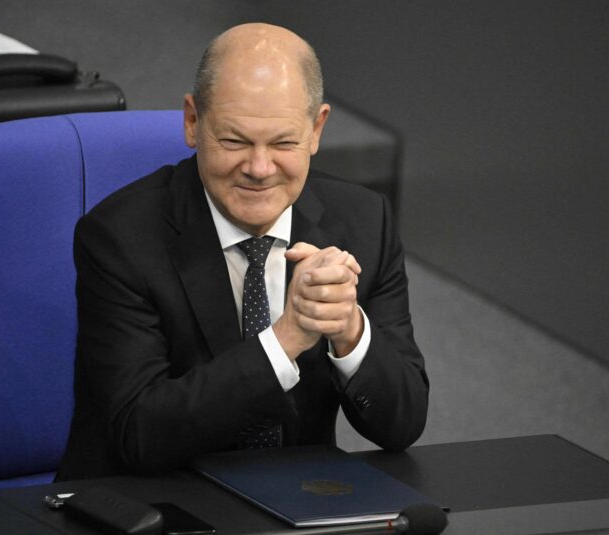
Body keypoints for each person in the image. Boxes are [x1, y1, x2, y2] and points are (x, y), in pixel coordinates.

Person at [56, 23, 428, 481]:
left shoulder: (365, 222)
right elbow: (139, 435)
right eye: (234, 141)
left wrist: (349, 328)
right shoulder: (120, 237)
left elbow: (403, 424)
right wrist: (286, 339)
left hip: (296, 498)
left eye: (284, 143)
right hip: (154, 498)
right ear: (193, 122)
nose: (259, 168)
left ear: (317, 129)